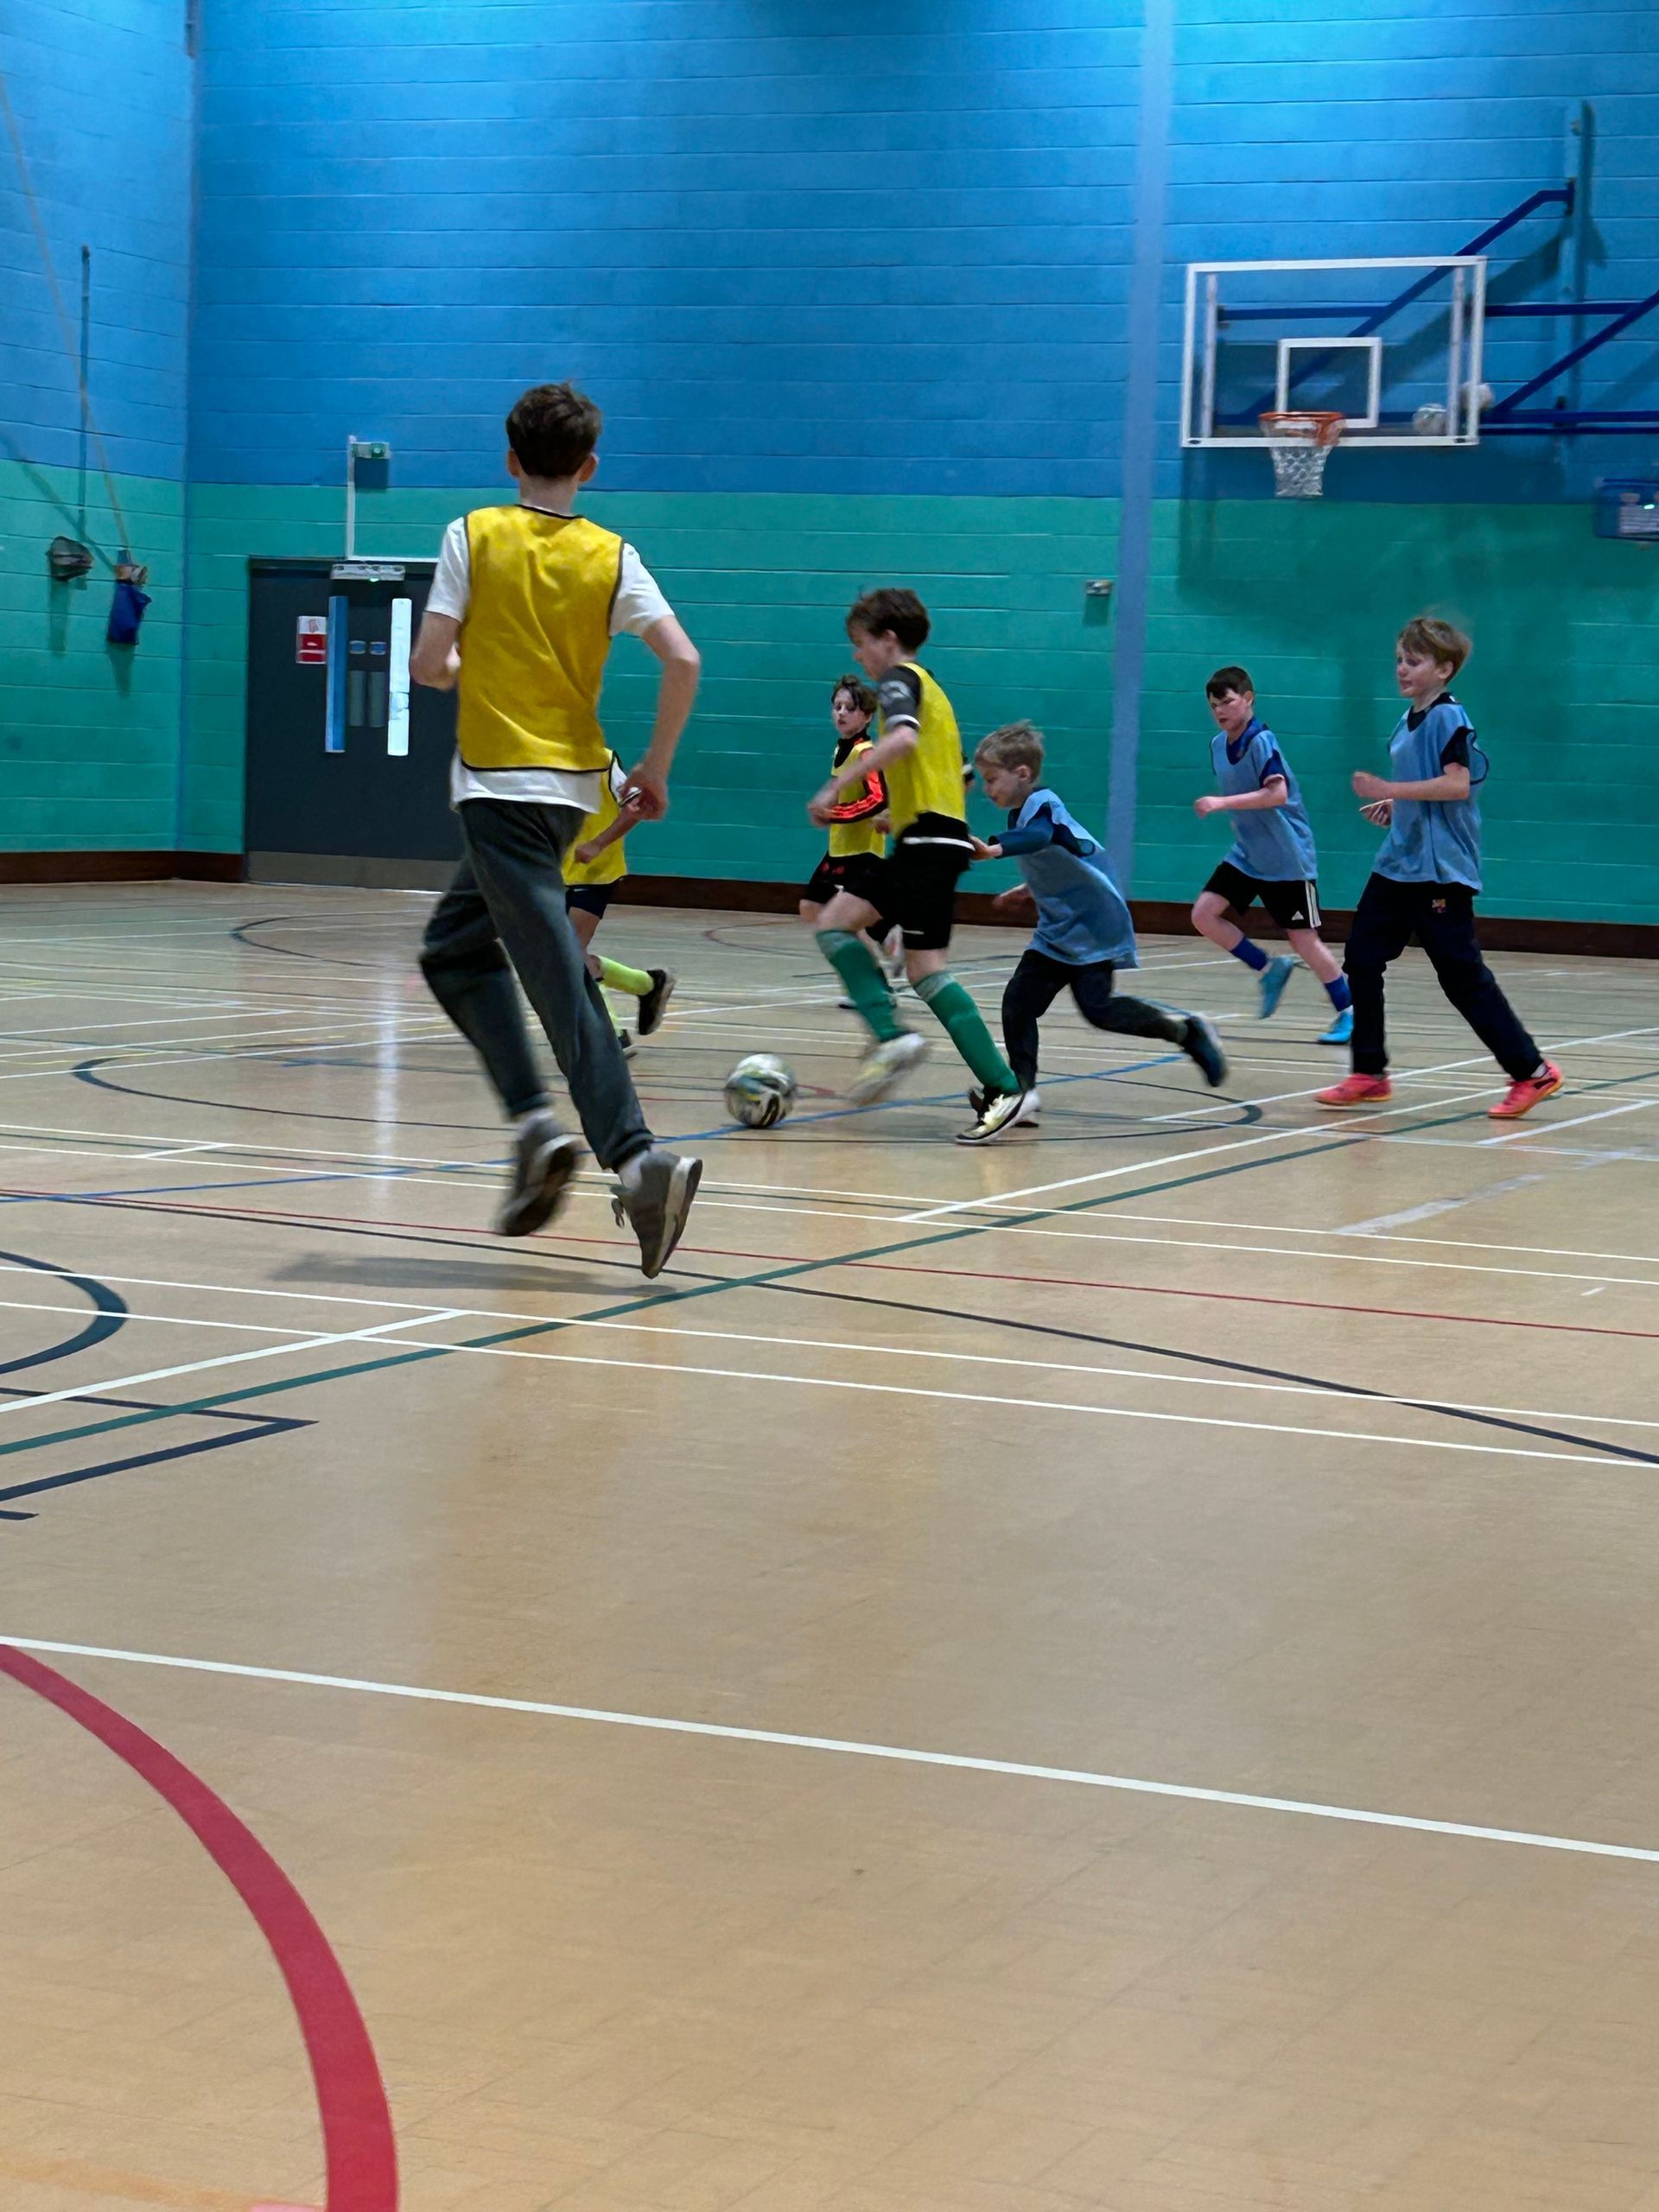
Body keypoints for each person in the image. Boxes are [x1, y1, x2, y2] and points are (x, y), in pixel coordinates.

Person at [410, 379, 703, 1276]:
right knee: (455, 949)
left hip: (498, 786)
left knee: (556, 978)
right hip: (569, 794)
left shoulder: (473, 534)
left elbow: (429, 663)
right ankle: (538, 1129)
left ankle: (636, 1159)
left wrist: (468, 665)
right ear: (589, 468)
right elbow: (683, 659)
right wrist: (652, 770)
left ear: (509, 460)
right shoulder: (615, 557)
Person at [1315, 616, 1562, 1119]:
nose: (1403, 669)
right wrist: (1396, 808)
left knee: (1461, 977)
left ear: (1445, 669)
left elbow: (1456, 785)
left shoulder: (1450, 718)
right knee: (1362, 957)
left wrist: (1392, 790)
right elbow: (1425, 791)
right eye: (1400, 660)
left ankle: (1533, 1072)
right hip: (1399, 864)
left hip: (1439, 870)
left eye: (1415, 660)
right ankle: (1369, 1073)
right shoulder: (1406, 722)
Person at [807, 588, 1021, 1109]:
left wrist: (839, 785)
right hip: (933, 839)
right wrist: (902, 816)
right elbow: (946, 775)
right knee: (925, 969)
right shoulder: (936, 691)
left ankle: (890, 1033)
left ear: (888, 639)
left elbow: (901, 741)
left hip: (926, 841)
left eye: (861, 643)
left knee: (834, 923)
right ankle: (1006, 1089)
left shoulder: (900, 680)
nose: (858, 655)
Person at [965, 721, 1227, 1142]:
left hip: (1093, 923)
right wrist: (1029, 888)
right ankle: (1023, 1095)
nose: (987, 788)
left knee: (1099, 1009)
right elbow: (1061, 856)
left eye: (992, 779)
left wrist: (994, 849)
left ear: (1023, 775)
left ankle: (1186, 1031)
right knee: (1019, 1002)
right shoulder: (1021, 813)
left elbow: (1041, 837)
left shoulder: (1044, 806)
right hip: (1060, 924)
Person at [1191, 665, 1352, 1046]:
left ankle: (1349, 1012)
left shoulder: (1261, 739)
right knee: (1203, 914)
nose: (1220, 710)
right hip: (1248, 854)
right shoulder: (1218, 745)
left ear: (1248, 699)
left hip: (1286, 857)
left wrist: (1221, 803)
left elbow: (1276, 794)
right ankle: (1267, 968)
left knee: (1305, 941)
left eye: (1227, 701)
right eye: (1214, 704)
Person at [563, 750, 676, 1054]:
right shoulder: (534, 761)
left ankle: (611, 1035)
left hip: (595, 872)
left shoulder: (602, 761)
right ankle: (647, 985)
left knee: (571, 952)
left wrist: (597, 844)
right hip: (552, 872)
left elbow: (635, 808)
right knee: (562, 956)